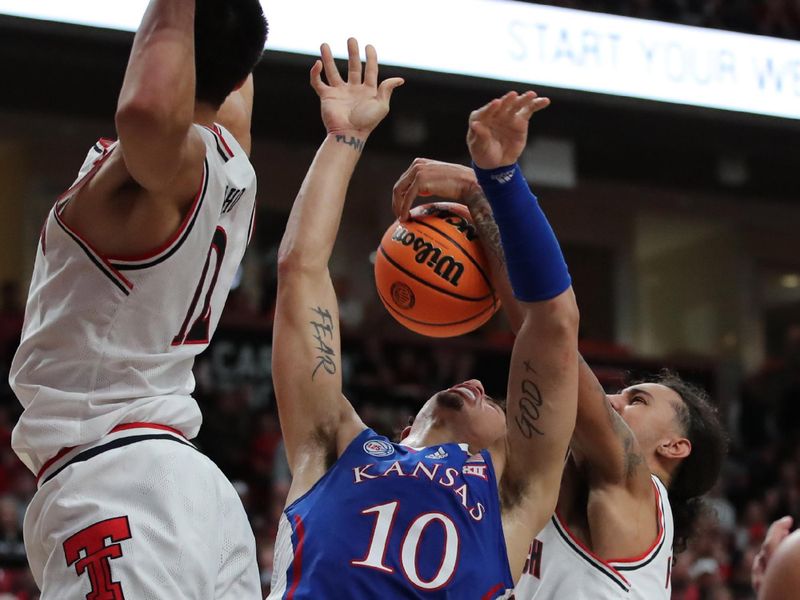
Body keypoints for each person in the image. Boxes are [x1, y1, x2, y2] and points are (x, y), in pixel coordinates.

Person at [269, 42, 579, 597]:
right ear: (404, 425)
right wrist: (345, 137)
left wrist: (497, 185)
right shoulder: (333, 448)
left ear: (516, 443)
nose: (482, 385)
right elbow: (300, 270)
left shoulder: (515, 497)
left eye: (501, 406)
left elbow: (551, 322)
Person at [9, 1, 268, 597]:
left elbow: (149, 107)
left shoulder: (159, 173)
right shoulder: (235, 159)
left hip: (118, 481)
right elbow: (223, 59)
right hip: (182, 480)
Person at [392, 158, 728, 598]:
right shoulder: (537, 489)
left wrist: (483, 193)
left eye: (636, 400)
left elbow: (550, 336)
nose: (612, 401)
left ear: (674, 446)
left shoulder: (635, 488)